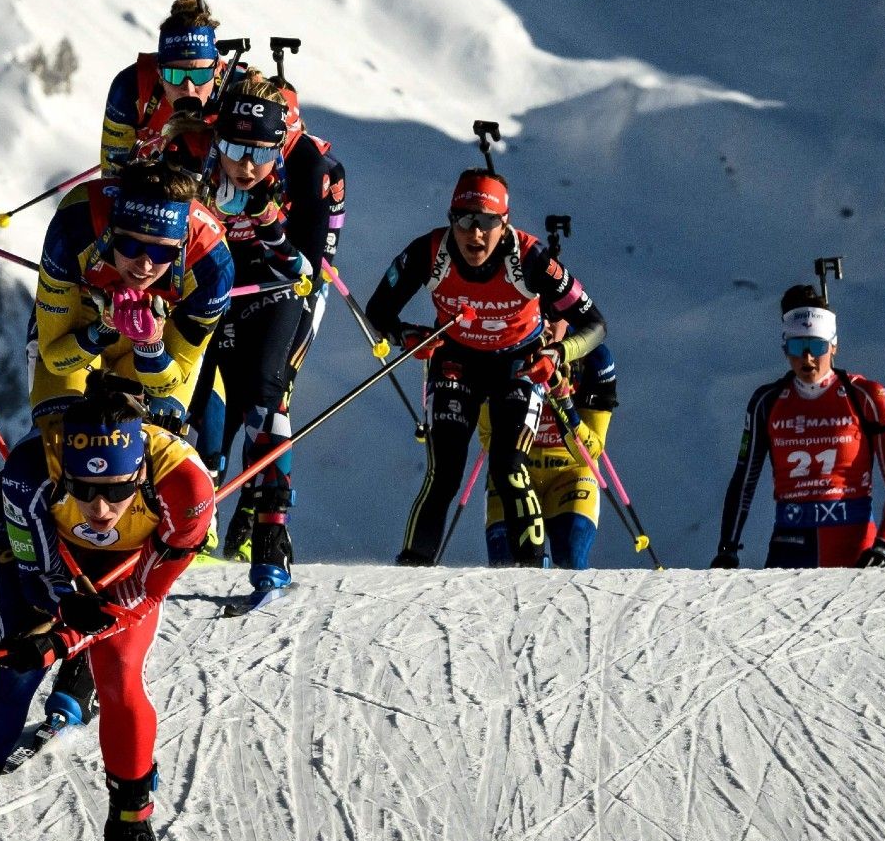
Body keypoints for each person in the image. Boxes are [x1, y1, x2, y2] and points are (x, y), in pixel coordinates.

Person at [0, 382, 215, 841]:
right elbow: (37, 581)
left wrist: (85, 625)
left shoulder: (186, 487)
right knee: (16, 667)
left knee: (120, 677)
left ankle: (131, 823)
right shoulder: (30, 474)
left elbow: (145, 592)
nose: (100, 509)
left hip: (131, 566)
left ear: (141, 473)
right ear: (65, 473)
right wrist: (56, 620)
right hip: (45, 554)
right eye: (85, 490)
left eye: (118, 491)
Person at [365, 167, 606, 567]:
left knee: (509, 466)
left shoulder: (530, 259)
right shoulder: (429, 252)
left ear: (504, 222)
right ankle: (412, 567)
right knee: (444, 472)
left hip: (518, 364)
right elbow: (378, 311)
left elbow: (595, 324)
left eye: (487, 222)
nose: (474, 234)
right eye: (464, 220)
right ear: (451, 219)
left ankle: (531, 571)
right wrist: (406, 335)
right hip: (455, 361)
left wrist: (558, 354)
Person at [182, 75, 318, 592]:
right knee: (192, 412)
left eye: (258, 151)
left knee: (267, 402)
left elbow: (302, 265)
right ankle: (182, 528)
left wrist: (269, 223)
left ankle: (269, 538)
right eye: (234, 148)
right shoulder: (192, 164)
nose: (245, 165)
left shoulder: (298, 174)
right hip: (205, 290)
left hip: (270, 293)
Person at [29, 158, 235, 436]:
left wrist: (149, 343)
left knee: (154, 442)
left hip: (162, 335)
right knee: (56, 443)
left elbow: (169, 382)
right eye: (129, 245)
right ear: (112, 231)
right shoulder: (75, 224)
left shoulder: (212, 264)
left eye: (163, 253)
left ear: (182, 243)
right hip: (80, 320)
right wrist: (103, 328)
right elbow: (54, 356)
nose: (144, 265)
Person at [711, 285, 885, 569]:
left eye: (816, 347)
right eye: (796, 347)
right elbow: (744, 479)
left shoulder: (866, 396)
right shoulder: (767, 402)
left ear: (833, 345)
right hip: (789, 546)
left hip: (855, 548)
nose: (807, 359)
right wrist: (727, 548)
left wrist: (884, 544)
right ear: (785, 349)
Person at [480, 340, 617, 569]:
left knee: (571, 558)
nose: (548, 323)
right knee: (506, 565)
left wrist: (564, 404)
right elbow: (488, 438)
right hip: (517, 469)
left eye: (556, 314)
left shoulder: (594, 359)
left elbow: (591, 451)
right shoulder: (505, 349)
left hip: (571, 472)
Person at [99, 0, 224, 176]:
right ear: (159, 72)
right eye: (174, 75)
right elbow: (112, 178)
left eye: (200, 75)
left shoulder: (234, 89)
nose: (188, 89)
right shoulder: (132, 88)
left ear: (218, 68)